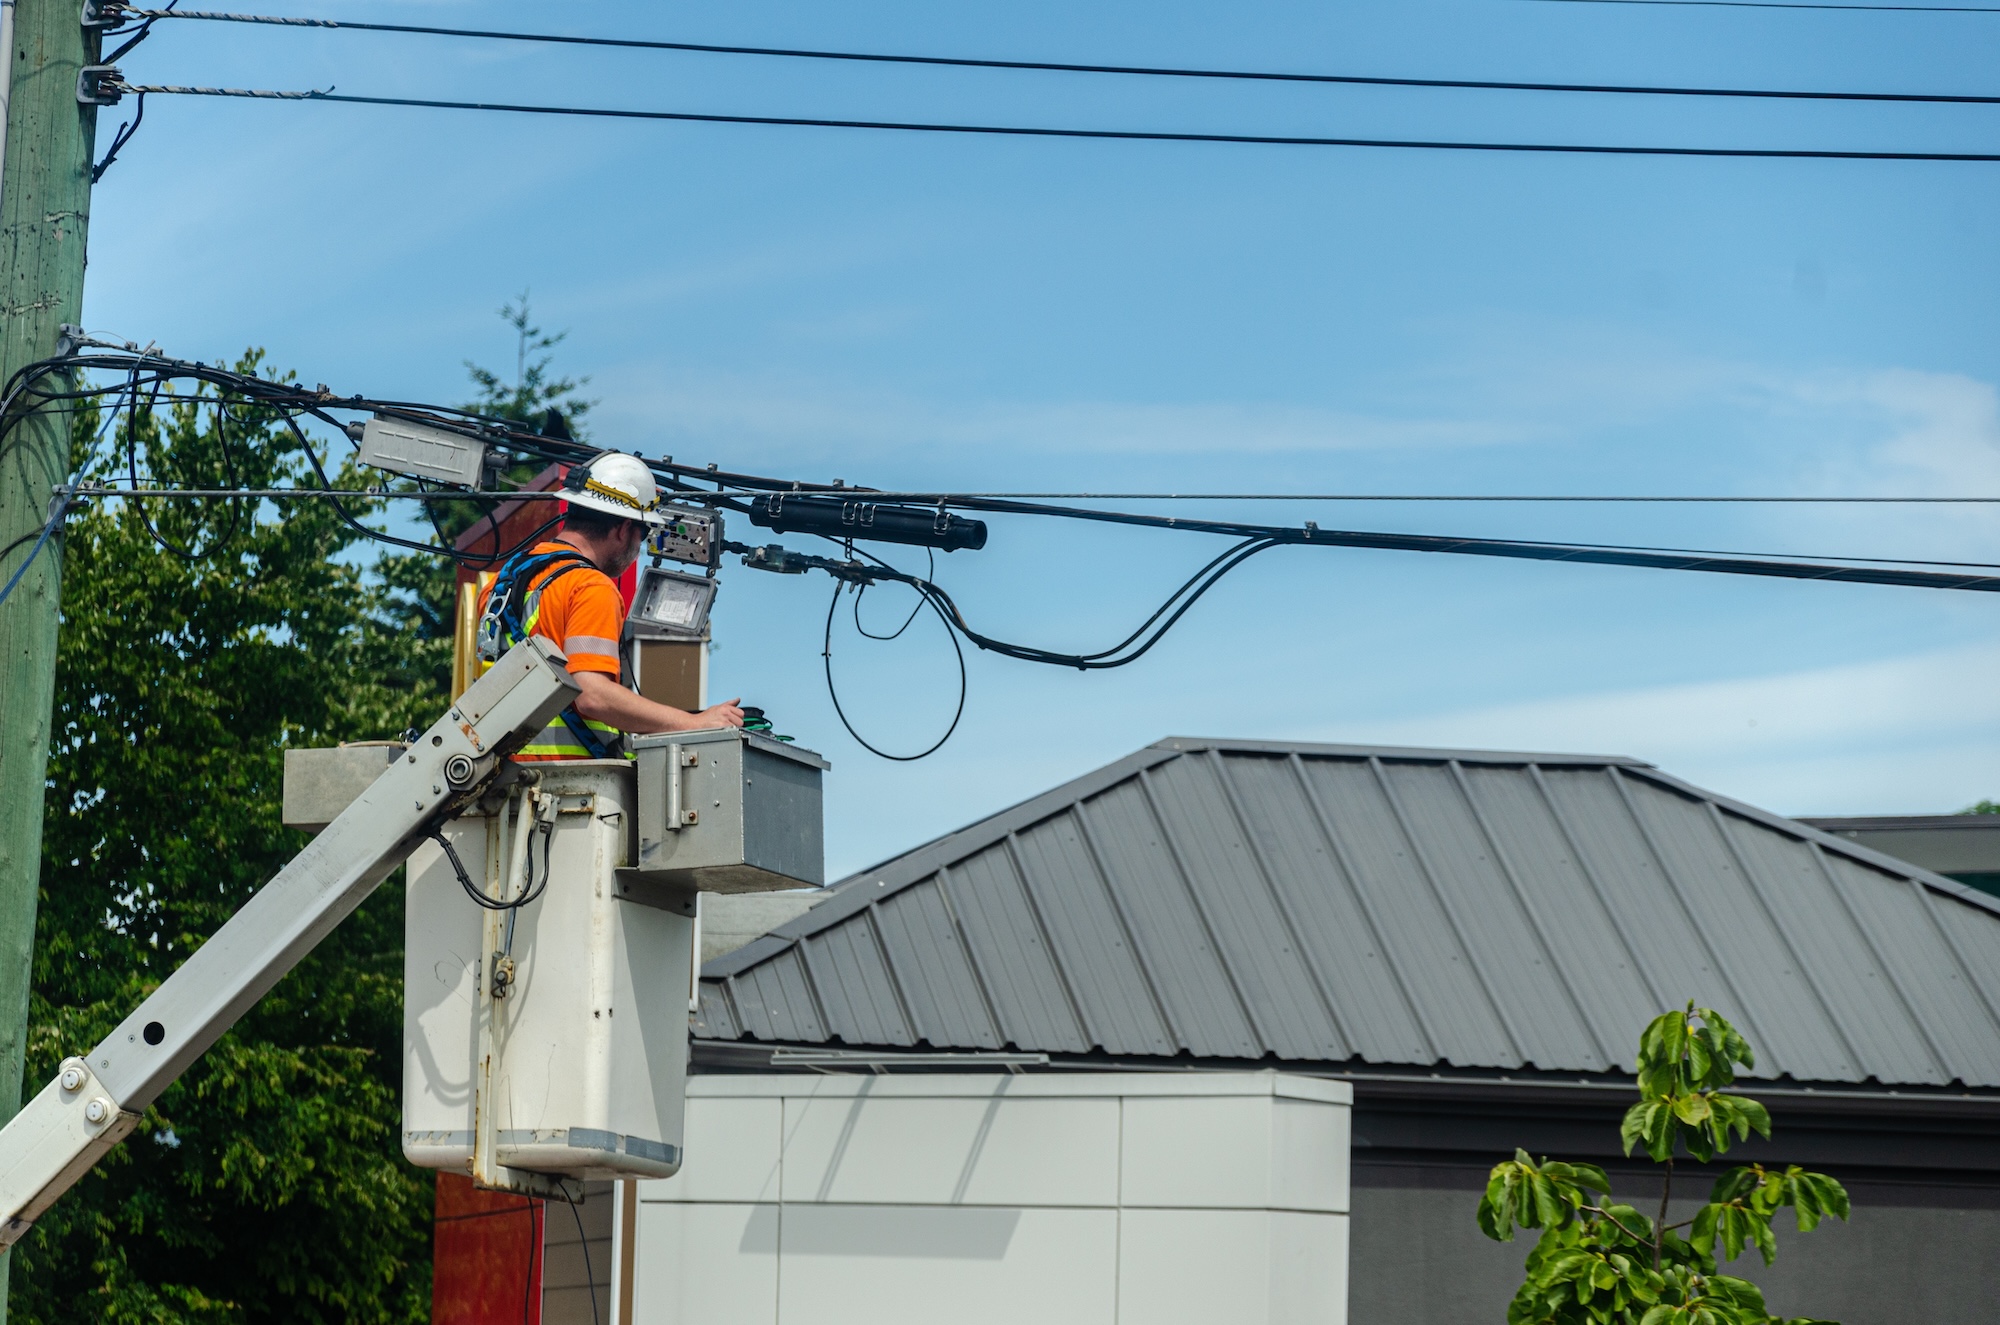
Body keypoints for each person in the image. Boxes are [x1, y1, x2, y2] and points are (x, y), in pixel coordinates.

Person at [476, 451, 743, 761]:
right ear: (622, 529)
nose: (638, 546)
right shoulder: (591, 587)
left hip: (496, 779)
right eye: (642, 533)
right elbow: (593, 697)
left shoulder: (500, 584)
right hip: (565, 790)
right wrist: (695, 723)